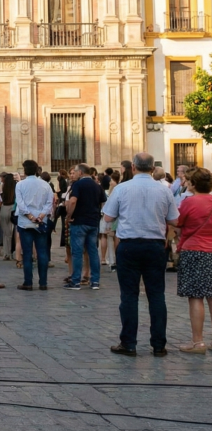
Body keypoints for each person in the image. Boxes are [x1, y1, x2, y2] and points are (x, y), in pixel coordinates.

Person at [103, 152, 178, 358]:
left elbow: (108, 216)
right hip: (155, 246)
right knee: (156, 295)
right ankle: (159, 345)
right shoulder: (164, 191)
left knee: (129, 295)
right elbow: (174, 220)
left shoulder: (122, 189)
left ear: (133, 168)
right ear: (152, 169)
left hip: (129, 245)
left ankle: (128, 343)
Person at [175, 168, 212, 354]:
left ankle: (198, 342)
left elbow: (178, 223)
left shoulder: (190, 202)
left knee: (196, 296)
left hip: (194, 250)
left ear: (193, 184)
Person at [14, 160, 53, 291]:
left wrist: (30, 216)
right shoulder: (45, 185)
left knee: (27, 252)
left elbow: (20, 204)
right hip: (41, 222)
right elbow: (49, 203)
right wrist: (41, 215)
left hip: (25, 222)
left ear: (25, 170)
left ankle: (28, 282)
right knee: (42, 252)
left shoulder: (20, 185)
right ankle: (43, 282)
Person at [64, 163, 104, 291]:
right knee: (92, 252)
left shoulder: (78, 184)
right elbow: (103, 202)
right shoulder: (97, 185)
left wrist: (69, 215)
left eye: (75, 172)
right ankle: (95, 281)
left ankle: (75, 281)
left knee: (77, 252)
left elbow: (73, 200)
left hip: (79, 221)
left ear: (80, 173)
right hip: (93, 222)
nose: (74, 174)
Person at [0, 173, 16, 261]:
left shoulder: (2, 186)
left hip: (4, 208)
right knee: (11, 232)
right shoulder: (15, 187)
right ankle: (11, 252)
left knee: (6, 233)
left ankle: (6, 253)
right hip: (13, 209)